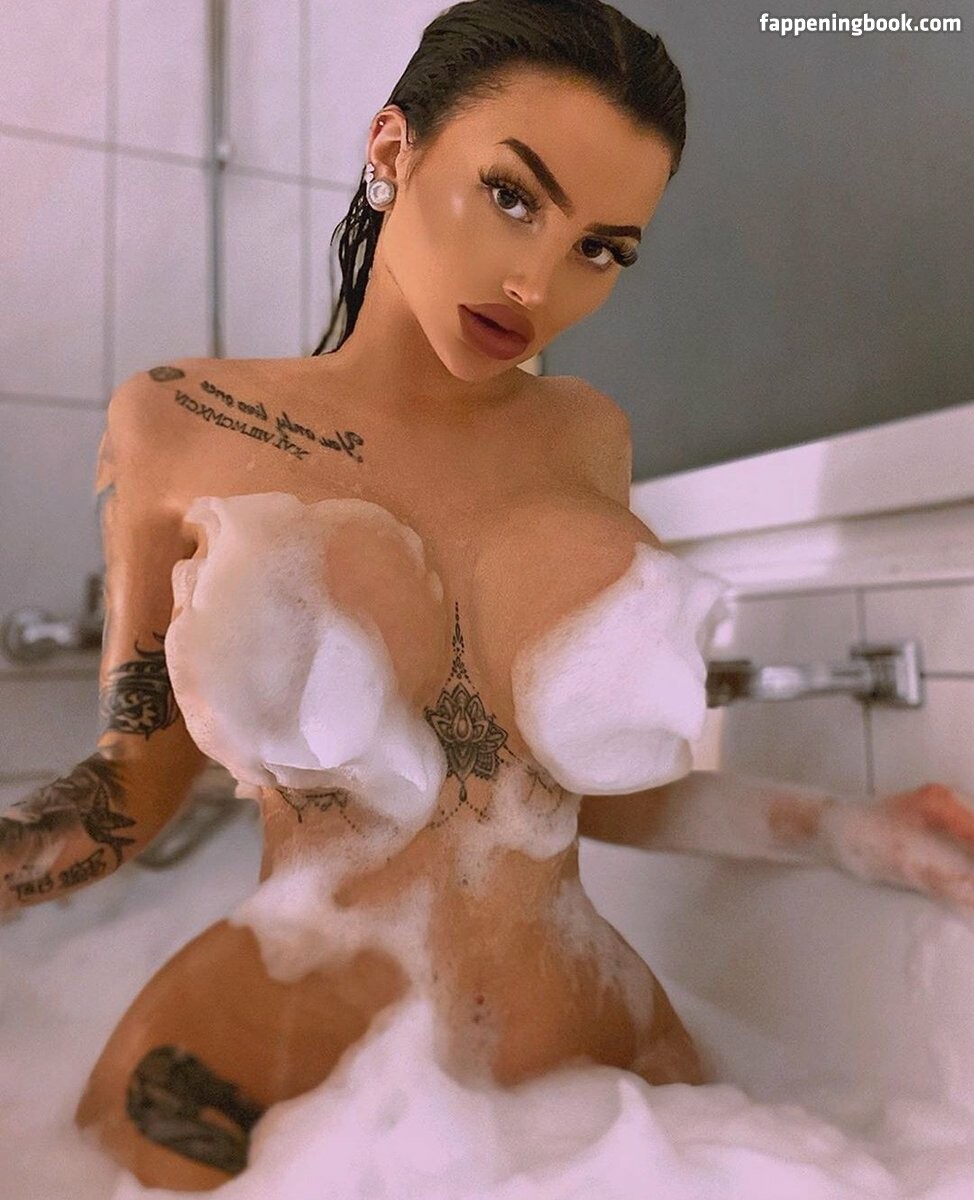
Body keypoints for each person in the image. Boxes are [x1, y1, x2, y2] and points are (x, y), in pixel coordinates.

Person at [3, 0, 973, 1191]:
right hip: (272, 1080)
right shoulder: (181, 418)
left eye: (600, 249)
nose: (534, 282)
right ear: (392, 148)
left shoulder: (585, 434)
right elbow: (128, 789)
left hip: (604, 1076)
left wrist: (847, 831)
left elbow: (570, 788)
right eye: (511, 195)